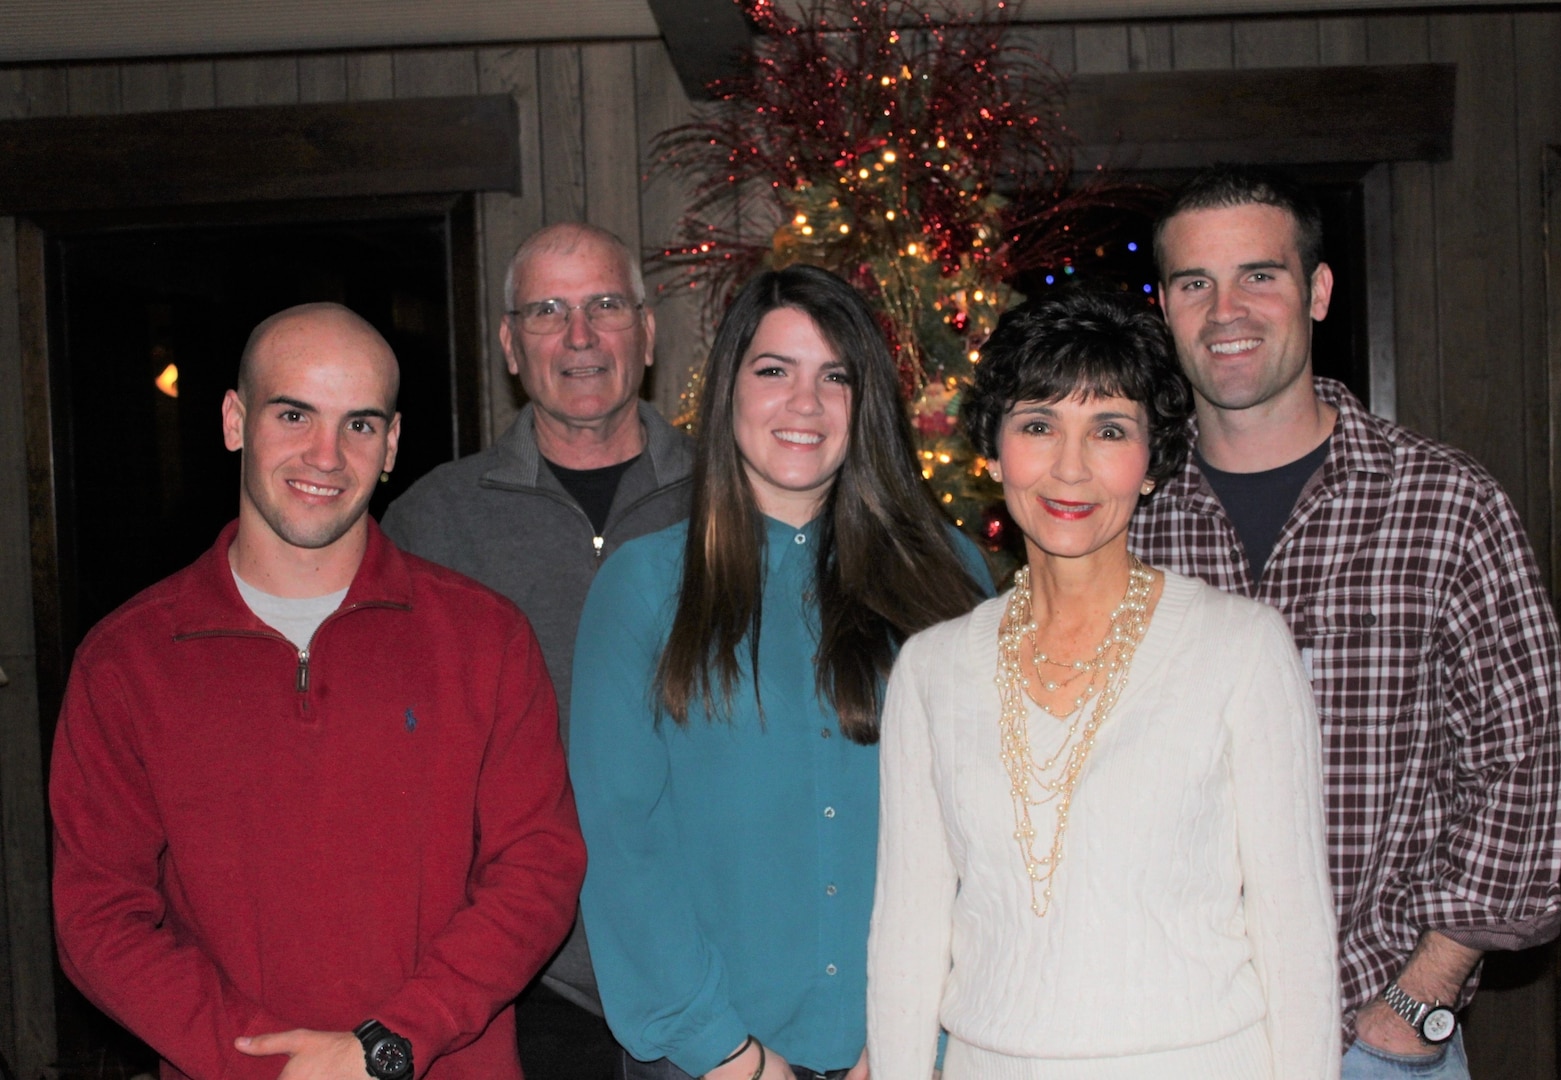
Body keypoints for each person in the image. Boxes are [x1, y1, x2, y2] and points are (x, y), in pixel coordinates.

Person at [51, 303, 586, 1080]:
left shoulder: (484, 639)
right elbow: (99, 921)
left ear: (393, 443)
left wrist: (390, 1043)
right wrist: (276, 1066)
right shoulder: (126, 663)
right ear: (236, 421)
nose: (326, 454)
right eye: (294, 413)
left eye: (360, 424)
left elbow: (536, 873)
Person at [1132, 164, 1561, 1078]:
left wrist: (1419, 999)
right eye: (1193, 283)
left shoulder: (1445, 504)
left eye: (1259, 274)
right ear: (1164, 307)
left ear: (1317, 290)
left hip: (1367, 1037)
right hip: (1163, 1033)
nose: (1227, 311)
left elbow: (1522, 764)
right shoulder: (1124, 517)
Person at [867, 284, 1340, 1080]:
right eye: (1039, 425)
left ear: (1150, 462)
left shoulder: (1241, 649)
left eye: (1109, 430)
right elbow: (908, 937)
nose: (1070, 468)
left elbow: (1294, 934)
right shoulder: (931, 669)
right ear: (992, 449)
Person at [569, 265, 993, 1080]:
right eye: (774, 371)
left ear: (864, 402)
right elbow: (621, 845)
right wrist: (729, 1057)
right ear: (727, 388)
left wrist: (915, 1033)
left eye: (835, 377)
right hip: (708, 1062)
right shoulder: (643, 586)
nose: (806, 404)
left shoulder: (947, 575)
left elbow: (983, 833)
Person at [382, 223, 694, 1076]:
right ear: (511, 345)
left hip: (713, 956)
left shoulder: (732, 500)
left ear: (648, 331)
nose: (581, 336)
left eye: (604, 306)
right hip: (526, 981)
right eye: (548, 312)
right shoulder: (431, 523)